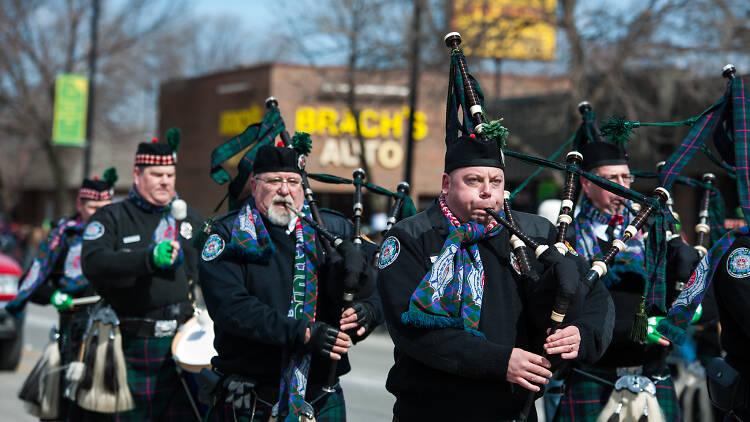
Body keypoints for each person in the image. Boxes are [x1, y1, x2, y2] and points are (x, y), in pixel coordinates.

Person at [377, 133, 615, 421]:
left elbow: (595, 294)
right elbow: (413, 332)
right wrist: (501, 362)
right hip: (432, 410)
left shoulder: (536, 234)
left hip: (513, 411)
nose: (487, 191)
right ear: (446, 184)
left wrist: (582, 333)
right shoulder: (412, 236)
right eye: (473, 180)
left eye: (496, 182)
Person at [198, 144, 382, 421]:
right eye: (274, 181)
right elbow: (231, 308)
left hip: (320, 391)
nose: (285, 190)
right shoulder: (229, 235)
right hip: (253, 394)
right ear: (254, 184)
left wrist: (368, 312)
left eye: (293, 181)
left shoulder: (335, 230)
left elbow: (382, 284)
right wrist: (304, 332)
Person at [553, 141, 700, 422]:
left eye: (626, 177)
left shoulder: (655, 234)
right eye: (611, 179)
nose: (622, 186)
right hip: (592, 376)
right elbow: (570, 312)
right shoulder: (568, 239)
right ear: (586, 184)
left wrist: (684, 314)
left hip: (654, 374)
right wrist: (634, 331)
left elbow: (696, 300)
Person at [80, 132, 204, 421]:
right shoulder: (112, 218)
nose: (165, 181)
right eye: (157, 174)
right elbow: (94, 263)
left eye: (170, 174)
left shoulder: (191, 220)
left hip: (182, 343)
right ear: (137, 174)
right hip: (131, 343)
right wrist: (148, 259)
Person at [6, 171, 116, 420]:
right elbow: (31, 282)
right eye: (92, 206)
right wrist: (54, 295)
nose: (98, 213)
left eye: (104, 207)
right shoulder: (63, 237)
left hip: (111, 334)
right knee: (68, 410)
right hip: (72, 333)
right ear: (80, 204)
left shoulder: (119, 235)